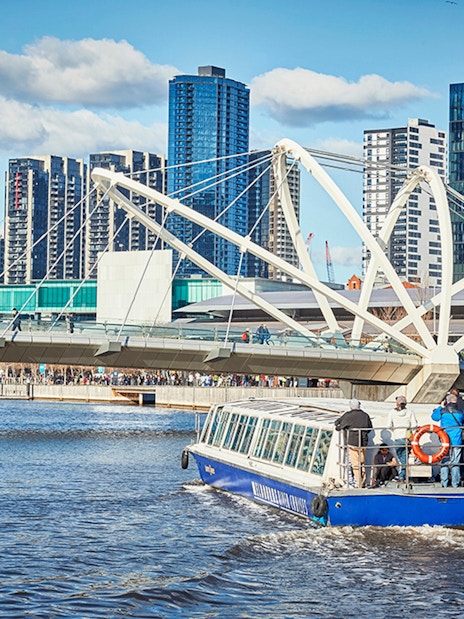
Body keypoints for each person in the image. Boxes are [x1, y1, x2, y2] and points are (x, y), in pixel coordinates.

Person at [335, 399, 373, 488]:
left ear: (351, 406)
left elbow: (338, 424)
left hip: (352, 442)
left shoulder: (348, 415)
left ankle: (358, 483)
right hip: (364, 442)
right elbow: (370, 427)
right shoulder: (365, 415)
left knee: (355, 463)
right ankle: (363, 479)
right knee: (362, 462)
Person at [432, 393, 464, 488]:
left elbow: (434, 417)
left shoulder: (442, 411)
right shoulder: (460, 412)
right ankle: (455, 483)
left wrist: (440, 407)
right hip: (457, 440)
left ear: (447, 401)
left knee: (444, 461)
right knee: (455, 462)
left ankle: (444, 483)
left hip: (445, 440)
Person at [387, 395, 417, 481]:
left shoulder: (392, 413)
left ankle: (402, 475)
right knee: (405, 457)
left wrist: (394, 430)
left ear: (397, 404)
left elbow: (389, 425)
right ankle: (404, 475)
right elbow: (414, 425)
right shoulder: (410, 412)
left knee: (401, 457)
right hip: (407, 437)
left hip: (397, 437)